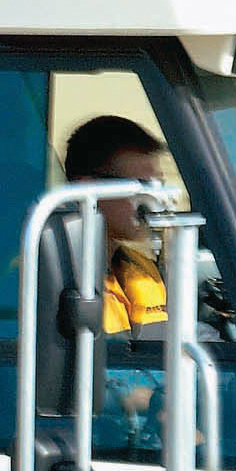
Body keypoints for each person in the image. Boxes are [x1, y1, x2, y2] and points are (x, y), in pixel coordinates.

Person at [62, 113, 177, 334]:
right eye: (142, 186)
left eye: (158, 186)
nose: (154, 201)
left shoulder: (142, 268)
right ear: (88, 188)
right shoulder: (44, 276)